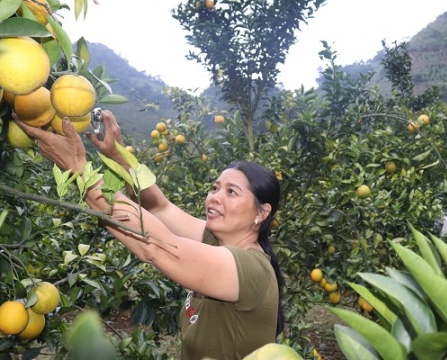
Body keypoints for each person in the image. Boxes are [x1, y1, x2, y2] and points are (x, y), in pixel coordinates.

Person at [15, 110, 285, 360]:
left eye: (231, 192)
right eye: (215, 188)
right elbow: (158, 206)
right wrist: (117, 154)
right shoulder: (215, 240)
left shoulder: (250, 268)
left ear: (261, 213)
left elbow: (157, 247)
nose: (214, 197)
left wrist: (79, 170)